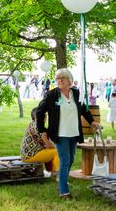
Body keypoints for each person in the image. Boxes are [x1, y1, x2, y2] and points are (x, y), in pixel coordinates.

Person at [36, 68, 100, 200]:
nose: (59, 80)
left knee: (70, 159)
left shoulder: (76, 93)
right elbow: (39, 112)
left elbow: (84, 109)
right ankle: (64, 191)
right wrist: (43, 131)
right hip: (60, 133)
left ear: (69, 81)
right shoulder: (51, 95)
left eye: (62, 78)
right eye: (58, 78)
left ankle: (61, 178)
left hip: (74, 132)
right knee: (65, 160)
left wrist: (92, 122)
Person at [20, 108, 59, 175]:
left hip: (25, 156)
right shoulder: (39, 127)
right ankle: (57, 174)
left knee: (49, 151)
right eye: (44, 114)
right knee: (57, 152)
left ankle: (51, 171)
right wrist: (56, 147)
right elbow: (49, 145)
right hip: (31, 156)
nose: (46, 115)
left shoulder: (31, 124)